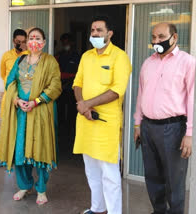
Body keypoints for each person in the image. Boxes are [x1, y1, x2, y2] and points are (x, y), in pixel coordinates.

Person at [134, 22, 195, 214]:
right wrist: (137, 124)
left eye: (161, 37)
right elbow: (140, 95)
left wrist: (189, 133)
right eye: (153, 37)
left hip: (173, 129)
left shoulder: (187, 62)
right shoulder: (148, 62)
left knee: (174, 180)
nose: (156, 41)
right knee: (153, 177)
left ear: (174, 37)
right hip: (148, 127)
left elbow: (192, 99)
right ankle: (159, 211)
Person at [73, 16, 132, 214]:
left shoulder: (119, 57)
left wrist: (87, 104)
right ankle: (97, 209)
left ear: (110, 33)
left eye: (99, 30)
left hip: (106, 125)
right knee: (91, 171)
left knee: (109, 173)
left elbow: (117, 91)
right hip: (86, 122)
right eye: (92, 30)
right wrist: (83, 105)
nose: (95, 34)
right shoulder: (86, 56)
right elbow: (77, 83)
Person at [0, 27, 62, 205]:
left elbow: (55, 85)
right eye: (31, 38)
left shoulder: (50, 62)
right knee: (20, 150)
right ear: (27, 41)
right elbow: (10, 82)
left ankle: (41, 189)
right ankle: (24, 185)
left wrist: (37, 101)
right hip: (21, 113)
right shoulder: (19, 61)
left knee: (40, 150)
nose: (34, 41)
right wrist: (17, 100)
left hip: (40, 112)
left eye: (38, 38)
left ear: (44, 42)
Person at [55, 33, 80, 146]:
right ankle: (60, 135)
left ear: (72, 43)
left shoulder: (77, 57)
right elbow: (55, 72)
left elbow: (80, 74)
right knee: (60, 113)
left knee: (71, 113)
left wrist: (68, 77)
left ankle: (70, 137)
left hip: (73, 90)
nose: (65, 45)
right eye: (63, 43)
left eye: (67, 43)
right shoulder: (59, 56)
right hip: (60, 89)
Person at [0, 29, 28, 117]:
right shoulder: (6, 55)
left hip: (24, 97)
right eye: (18, 42)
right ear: (13, 41)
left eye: (23, 42)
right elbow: (3, 75)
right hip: (10, 95)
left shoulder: (29, 55)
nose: (20, 44)